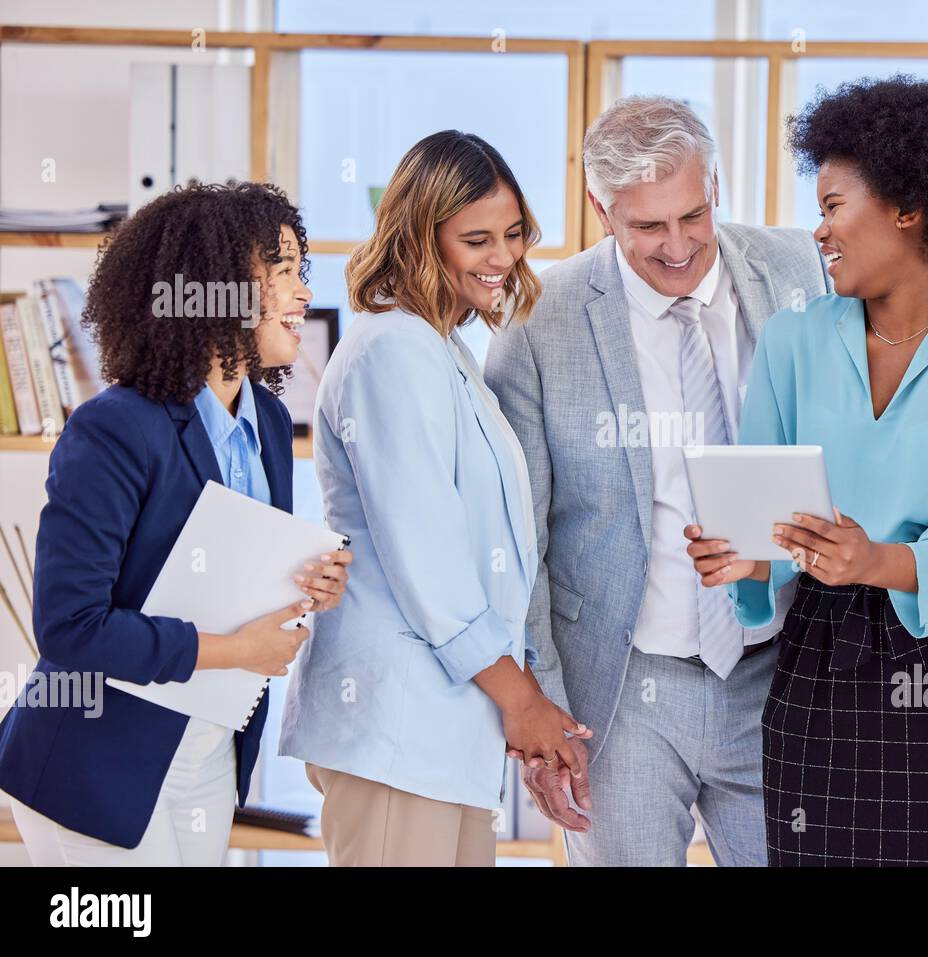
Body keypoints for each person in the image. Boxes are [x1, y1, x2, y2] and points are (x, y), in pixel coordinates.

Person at [687, 76, 928, 866]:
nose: (818, 232)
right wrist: (747, 558)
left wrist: (872, 559)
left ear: (908, 207)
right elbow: (767, 513)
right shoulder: (794, 341)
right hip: (823, 663)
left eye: (832, 206)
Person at [485, 95, 829, 866]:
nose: (678, 247)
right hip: (620, 688)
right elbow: (519, 537)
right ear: (600, 209)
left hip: (777, 669)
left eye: (692, 215)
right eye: (647, 227)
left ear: (716, 188)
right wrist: (542, 709)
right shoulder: (539, 318)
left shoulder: (800, 269)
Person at [0, 181, 352, 865]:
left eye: (299, 272)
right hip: (91, 760)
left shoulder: (271, 422)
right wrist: (238, 650)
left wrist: (307, 584)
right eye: (280, 272)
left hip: (206, 749)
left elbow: (223, 576)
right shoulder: (114, 428)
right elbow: (70, 627)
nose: (302, 293)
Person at [279, 131, 590, 867]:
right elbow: (431, 563)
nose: (504, 257)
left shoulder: (444, 350)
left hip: (444, 732)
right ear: (422, 238)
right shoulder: (391, 350)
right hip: (395, 730)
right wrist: (523, 702)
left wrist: (515, 705)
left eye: (513, 234)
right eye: (476, 238)